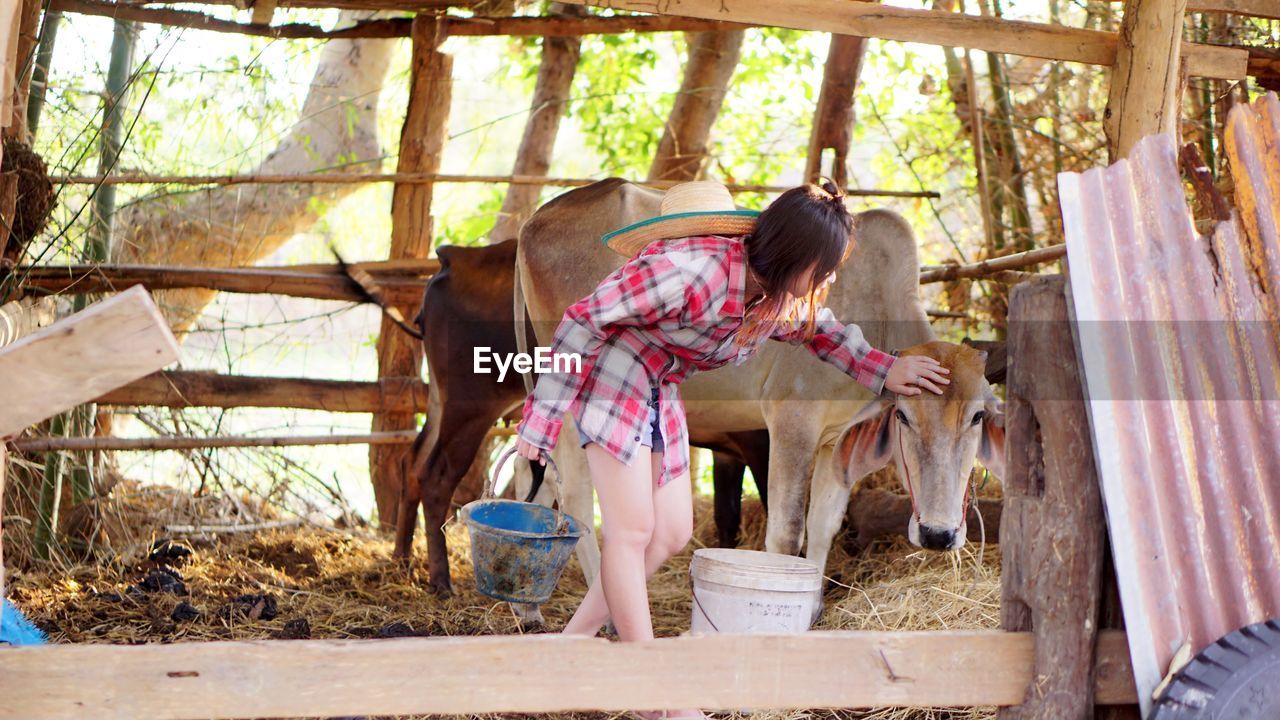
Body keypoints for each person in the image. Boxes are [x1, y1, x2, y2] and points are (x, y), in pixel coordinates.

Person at [514, 180, 948, 720]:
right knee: (630, 532)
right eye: (827, 265)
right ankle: (652, 695)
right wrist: (541, 420)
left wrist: (888, 368)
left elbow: (823, 333)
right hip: (611, 372)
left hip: (658, 384)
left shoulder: (775, 299)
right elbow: (581, 322)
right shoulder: (687, 271)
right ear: (798, 257)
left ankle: (569, 649)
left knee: (669, 532)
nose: (833, 277)